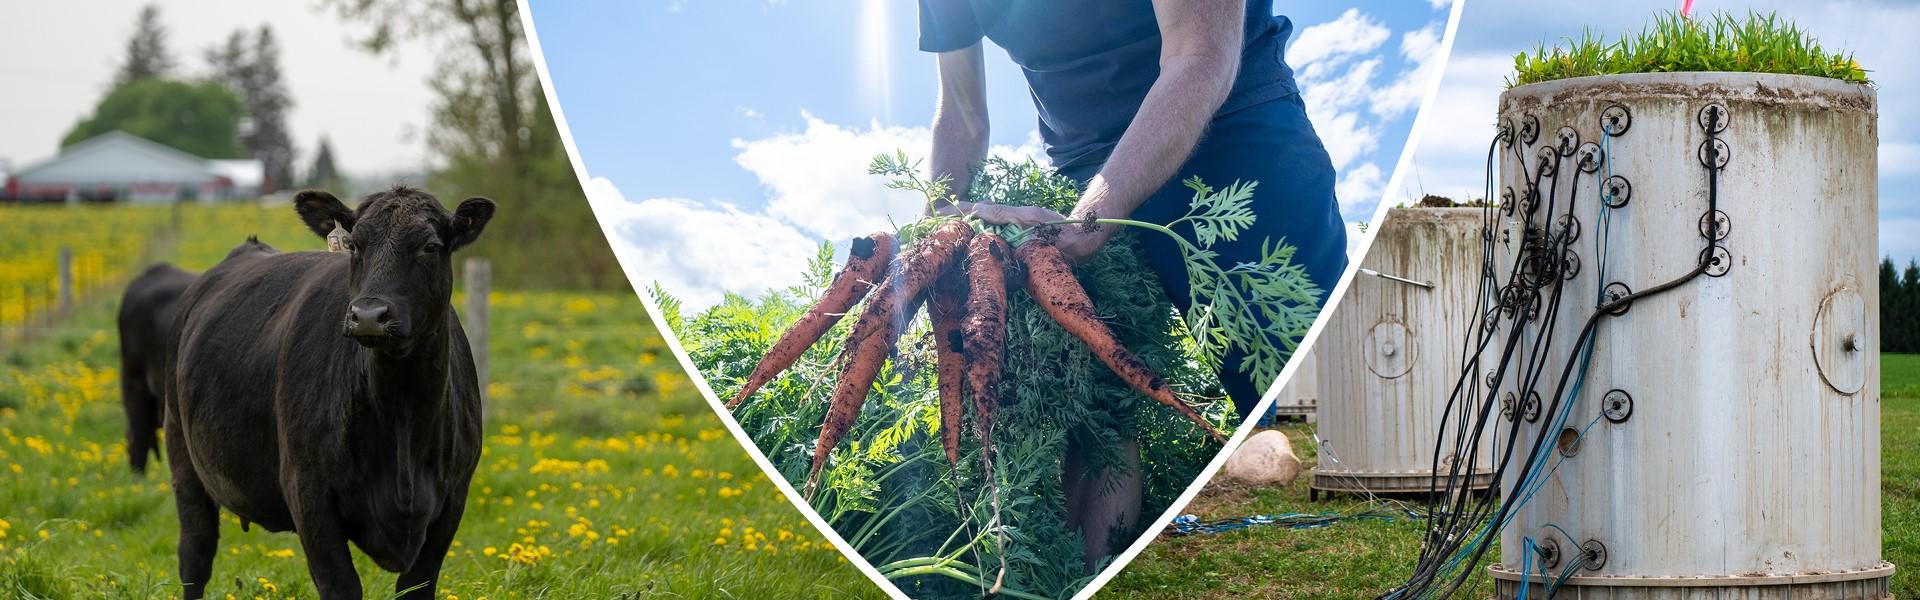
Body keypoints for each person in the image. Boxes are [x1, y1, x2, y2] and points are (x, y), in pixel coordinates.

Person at [918, 0, 1345, 568]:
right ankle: (1083, 570)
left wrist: (1092, 217)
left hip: (1233, 126)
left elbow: (1199, 54)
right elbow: (962, 114)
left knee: (1276, 351)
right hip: (1083, 163)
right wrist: (939, 231)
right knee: (1095, 395)